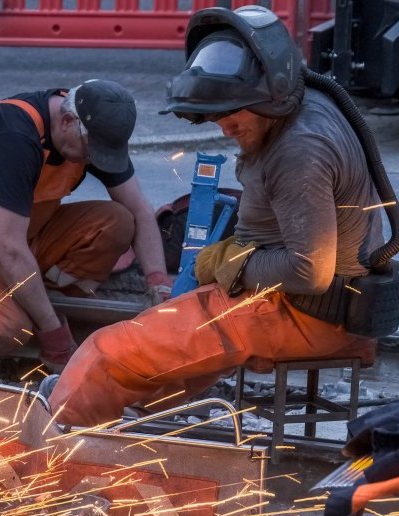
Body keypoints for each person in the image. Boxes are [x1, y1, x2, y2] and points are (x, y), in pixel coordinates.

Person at [47, 5, 378, 426]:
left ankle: (54, 446)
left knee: (105, 354)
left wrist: (231, 261)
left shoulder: (300, 150)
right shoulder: (297, 106)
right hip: (304, 305)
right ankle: (125, 420)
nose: (224, 128)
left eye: (231, 115)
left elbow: (309, 271)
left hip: (302, 313)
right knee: (157, 334)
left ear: (268, 93)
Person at [0, 79, 171, 370]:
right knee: (6, 329)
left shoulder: (90, 128)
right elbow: (9, 249)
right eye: (90, 152)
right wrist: (53, 335)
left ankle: (37, 300)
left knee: (118, 221)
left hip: (25, 237)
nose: (93, 160)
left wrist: (158, 281)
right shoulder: (15, 135)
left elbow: (138, 208)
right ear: (68, 121)